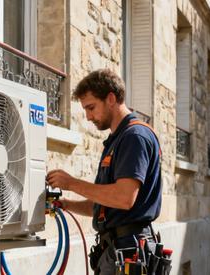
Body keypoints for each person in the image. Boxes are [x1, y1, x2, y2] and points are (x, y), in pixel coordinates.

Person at [46, 69, 162, 275]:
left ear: (111, 98)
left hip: (128, 250)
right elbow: (104, 205)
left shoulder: (134, 137)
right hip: (117, 249)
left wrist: (71, 183)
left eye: (91, 107)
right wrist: (65, 205)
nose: (88, 116)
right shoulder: (117, 140)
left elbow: (124, 198)